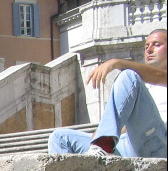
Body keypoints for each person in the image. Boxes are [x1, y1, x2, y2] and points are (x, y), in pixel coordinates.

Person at [48, 29, 167, 158]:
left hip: (160, 143)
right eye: (146, 46)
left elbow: (159, 76)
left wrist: (117, 62)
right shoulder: (144, 87)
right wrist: (99, 134)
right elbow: (127, 126)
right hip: (131, 144)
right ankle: (98, 150)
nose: (149, 50)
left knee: (128, 75)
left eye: (157, 44)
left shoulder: (140, 80)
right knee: (59, 138)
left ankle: (103, 145)